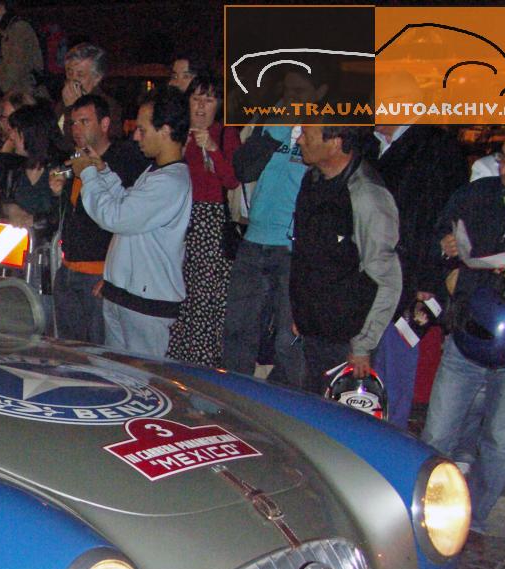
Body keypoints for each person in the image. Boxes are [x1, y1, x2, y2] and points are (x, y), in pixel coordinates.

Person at [420, 125, 505, 535]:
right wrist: (446, 249)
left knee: (502, 444)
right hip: (466, 339)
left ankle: (473, 521)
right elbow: (437, 235)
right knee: (437, 434)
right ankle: (427, 516)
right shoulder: (477, 195)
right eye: (503, 156)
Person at [221, 65, 326, 386]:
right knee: (237, 330)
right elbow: (243, 169)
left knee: (288, 340)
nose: (291, 99)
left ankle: (289, 408)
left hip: (293, 248)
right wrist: (274, 131)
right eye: (287, 91)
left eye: (299, 93)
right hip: (255, 240)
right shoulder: (272, 119)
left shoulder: (324, 128)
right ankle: (234, 399)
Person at [366, 119, 468, 429]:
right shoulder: (373, 142)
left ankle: (390, 435)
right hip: (378, 270)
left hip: (410, 275)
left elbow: (439, 217)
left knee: (395, 361)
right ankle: (375, 428)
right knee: (375, 359)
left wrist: (427, 278)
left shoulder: (433, 146)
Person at [78, 86, 193, 358]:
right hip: (125, 297)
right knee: (116, 382)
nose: (136, 136)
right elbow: (127, 207)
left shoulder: (171, 181)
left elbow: (115, 218)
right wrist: (102, 171)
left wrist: (88, 176)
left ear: (165, 130)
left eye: (142, 129)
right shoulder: (156, 173)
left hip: (146, 306)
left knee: (145, 387)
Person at [289, 125, 401, 391]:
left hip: (344, 340)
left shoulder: (366, 195)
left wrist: (363, 344)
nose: (299, 140)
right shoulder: (313, 181)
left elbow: (386, 276)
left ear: (336, 142)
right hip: (313, 330)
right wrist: (301, 313)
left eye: (307, 134)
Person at [47, 94, 146, 343]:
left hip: (99, 275)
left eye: (84, 121)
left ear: (104, 124)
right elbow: (73, 217)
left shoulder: (122, 161)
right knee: (70, 353)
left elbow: (128, 221)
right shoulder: (75, 161)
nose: (77, 129)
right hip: (69, 269)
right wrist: (57, 193)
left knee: (99, 356)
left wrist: (114, 276)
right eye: (73, 123)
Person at [167, 76, 240, 367]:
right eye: (196, 98)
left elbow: (232, 180)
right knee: (179, 294)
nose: (200, 105)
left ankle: (203, 364)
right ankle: (177, 362)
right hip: (182, 220)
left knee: (205, 300)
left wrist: (211, 147)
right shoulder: (179, 134)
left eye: (209, 99)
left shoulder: (225, 134)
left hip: (211, 223)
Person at [1, 104, 61, 230]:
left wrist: (58, 194)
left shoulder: (59, 168)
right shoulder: (12, 166)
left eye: (16, 132)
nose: (11, 137)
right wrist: (10, 208)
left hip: (48, 243)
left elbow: (63, 215)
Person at [0, 0, 42, 97]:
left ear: (0, 7)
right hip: (20, 95)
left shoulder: (18, 29)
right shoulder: (9, 30)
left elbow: (14, 68)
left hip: (23, 96)